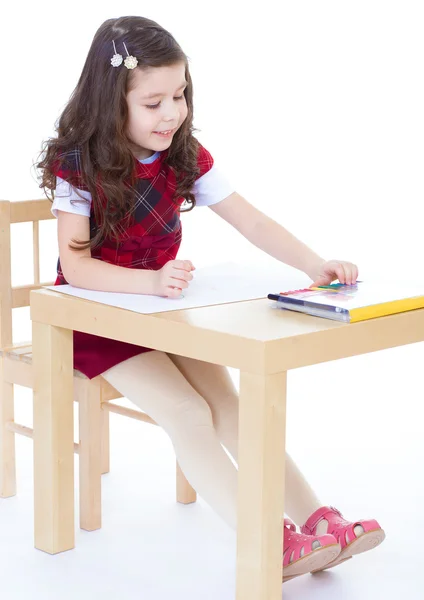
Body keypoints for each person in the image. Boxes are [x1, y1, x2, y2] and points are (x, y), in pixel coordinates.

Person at [36, 15, 385, 582]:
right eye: (154, 102)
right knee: (187, 413)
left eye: (180, 95)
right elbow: (75, 267)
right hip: (95, 318)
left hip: (163, 315)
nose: (172, 112)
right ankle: (267, 539)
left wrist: (314, 264)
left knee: (231, 408)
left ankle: (318, 519)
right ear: (111, 101)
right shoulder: (80, 164)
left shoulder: (182, 154)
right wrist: (150, 283)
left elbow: (251, 220)